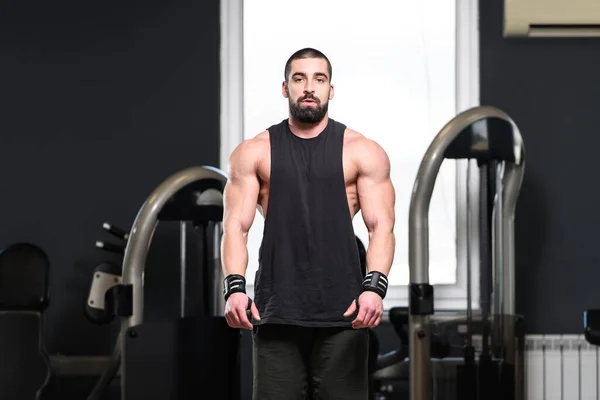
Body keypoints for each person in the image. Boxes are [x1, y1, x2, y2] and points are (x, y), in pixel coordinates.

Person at [221, 47, 396, 400]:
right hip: (277, 309)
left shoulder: (362, 151)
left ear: (331, 89)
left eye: (319, 79)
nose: (309, 87)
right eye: (299, 79)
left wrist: (374, 289)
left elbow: (381, 227)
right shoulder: (255, 151)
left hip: (344, 310)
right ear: (285, 88)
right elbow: (235, 227)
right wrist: (234, 288)